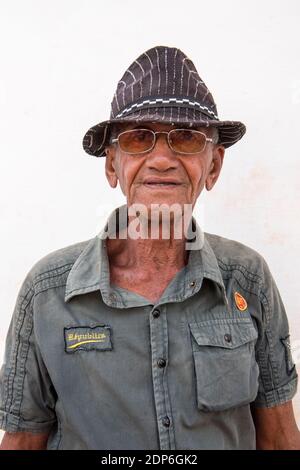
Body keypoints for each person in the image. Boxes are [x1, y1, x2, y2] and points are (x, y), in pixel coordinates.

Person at [0, 45, 299, 450]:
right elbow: (21, 442)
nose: (162, 159)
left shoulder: (247, 279)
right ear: (112, 165)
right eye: (139, 138)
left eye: (187, 139)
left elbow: (280, 437)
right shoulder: (47, 292)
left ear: (213, 166)